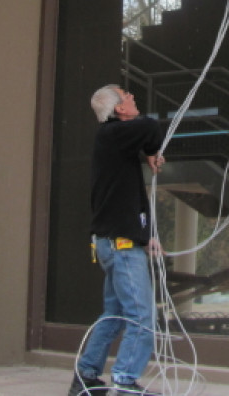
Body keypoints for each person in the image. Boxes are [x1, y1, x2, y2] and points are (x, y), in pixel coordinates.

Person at [68, 84, 166, 396]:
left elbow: (131, 197)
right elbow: (151, 127)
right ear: (119, 110)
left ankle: (86, 376)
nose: (133, 97)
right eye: (127, 96)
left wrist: (147, 235)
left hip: (114, 242)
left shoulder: (114, 142)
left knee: (114, 314)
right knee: (141, 317)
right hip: (120, 245)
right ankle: (124, 382)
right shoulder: (113, 134)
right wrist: (151, 151)